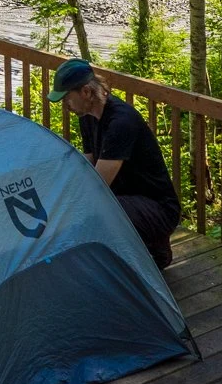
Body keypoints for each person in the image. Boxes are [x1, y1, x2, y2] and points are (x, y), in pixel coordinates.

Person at [51, 57, 181, 269]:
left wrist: (62, 208)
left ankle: (149, 246)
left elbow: (97, 185)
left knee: (96, 212)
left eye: (66, 98)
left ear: (86, 92)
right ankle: (153, 249)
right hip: (127, 199)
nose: (66, 106)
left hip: (159, 209)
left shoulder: (120, 122)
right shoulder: (87, 116)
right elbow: (87, 165)